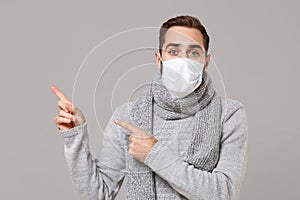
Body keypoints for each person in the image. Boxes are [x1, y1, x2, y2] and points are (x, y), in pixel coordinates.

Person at [51, 15, 248, 200]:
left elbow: (224, 193)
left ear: (206, 61)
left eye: (193, 52)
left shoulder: (228, 114)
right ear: (158, 58)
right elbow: (98, 194)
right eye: (173, 51)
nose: (183, 60)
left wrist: (153, 153)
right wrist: (74, 137)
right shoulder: (128, 116)